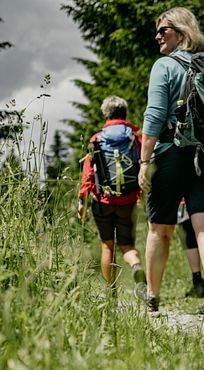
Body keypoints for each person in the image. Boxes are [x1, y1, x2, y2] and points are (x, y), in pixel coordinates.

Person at [139, 7, 204, 315]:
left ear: (181, 32)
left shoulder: (164, 65)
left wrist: (143, 161)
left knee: (159, 228)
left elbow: (153, 114)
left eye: (163, 30)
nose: (157, 36)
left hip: (171, 151)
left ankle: (151, 295)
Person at [77, 95, 146, 297]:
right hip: (128, 200)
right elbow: (143, 167)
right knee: (127, 245)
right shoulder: (135, 138)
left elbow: (88, 173)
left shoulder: (97, 139)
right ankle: (135, 266)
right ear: (124, 113)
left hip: (103, 201)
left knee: (107, 245)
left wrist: (82, 200)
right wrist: (140, 193)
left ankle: (111, 292)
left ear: (105, 115)